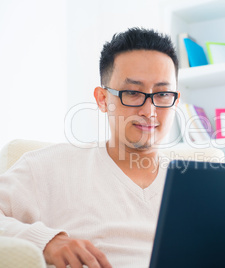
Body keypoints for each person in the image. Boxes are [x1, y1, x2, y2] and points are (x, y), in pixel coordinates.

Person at [0, 27, 180, 267]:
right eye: (133, 93)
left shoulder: (198, 184)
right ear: (103, 100)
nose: (149, 111)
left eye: (163, 94)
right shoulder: (49, 167)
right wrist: (46, 242)